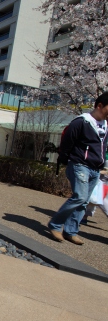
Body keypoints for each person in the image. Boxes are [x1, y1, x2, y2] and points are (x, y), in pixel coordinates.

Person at [48, 92, 108, 245]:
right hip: (79, 164)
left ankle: (70, 231)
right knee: (80, 197)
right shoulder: (82, 121)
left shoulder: (106, 125)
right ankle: (55, 224)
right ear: (100, 106)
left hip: (95, 168)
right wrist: (64, 158)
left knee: (84, 202)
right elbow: (67, 142)